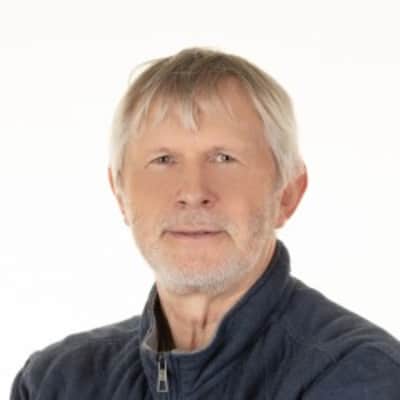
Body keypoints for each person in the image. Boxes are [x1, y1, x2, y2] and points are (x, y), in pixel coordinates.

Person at [10, 47, 400, 399]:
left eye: (224, 158)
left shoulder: (358, 373)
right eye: (163, 160)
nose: (193, 192)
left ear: (287, 194)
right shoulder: (55, 383)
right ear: (120, 194)